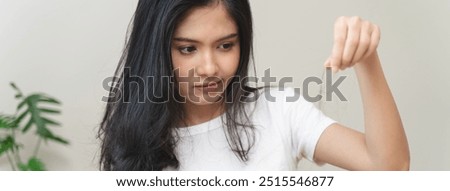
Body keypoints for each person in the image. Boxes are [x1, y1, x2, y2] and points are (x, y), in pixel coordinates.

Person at [98, 0, 410, 171]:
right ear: (156, 49)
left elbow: (390, 167)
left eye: (225, 46)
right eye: (188, 49)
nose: (209, 69)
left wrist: (367, 61)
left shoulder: (280, 112)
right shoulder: (133, 140)